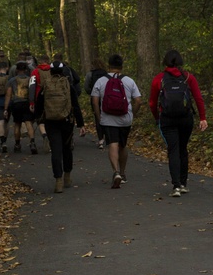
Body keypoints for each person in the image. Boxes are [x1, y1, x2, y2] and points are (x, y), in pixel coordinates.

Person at [149, 50, 208, 198]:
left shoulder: (159, 79)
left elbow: (152, 102)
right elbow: (198, 98)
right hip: (185, 118)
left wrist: (157, 117)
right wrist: (202, 117)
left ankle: (175, 186)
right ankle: (183, 184)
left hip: (167, 119)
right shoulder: (188, 77)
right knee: (183, 148)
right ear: (181, 62)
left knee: (173, 149)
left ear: (165, 62)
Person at [91, 54, 141, 189]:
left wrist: (98, 116)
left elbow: (95, 101)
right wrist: (133, 114)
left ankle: (116, 172)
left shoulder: (101, 81)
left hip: (108, 118)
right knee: (123, 145)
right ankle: (123, 173)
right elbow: (138, 100)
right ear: (121, 66)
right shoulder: (129, 81)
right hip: (125, 118)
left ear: (109, 65)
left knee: (113, 143)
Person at [35, 60, 86, 193]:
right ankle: (67, 177)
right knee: (67, 149)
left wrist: (38, 117)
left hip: (51, 122)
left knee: (56, 150)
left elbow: (39, 104)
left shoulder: (46, 85)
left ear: (50, 71)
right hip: (67, 122)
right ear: (63, 71)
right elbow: (75, 105)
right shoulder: (68, 84)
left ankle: (58, 181)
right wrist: (81, 123)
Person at [6, 62, 38, 154]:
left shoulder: (12, 80)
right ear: (26, 70)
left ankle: (17, 144)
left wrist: (6, 108)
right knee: (29, 123)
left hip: (16, 103)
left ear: (16, 70)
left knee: (17, 124)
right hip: (27, 103)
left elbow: (8, 95)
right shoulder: (30, 79)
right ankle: (32, 143)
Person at [28, 54, 52, 152]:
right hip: (52, 98)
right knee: (50, 119)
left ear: (40, 62)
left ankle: (44, 135)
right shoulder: (52, 70)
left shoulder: (35, 72)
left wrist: (31, 102)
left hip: (39, 99)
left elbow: (32, 87)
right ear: (48, 61)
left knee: (40, 120)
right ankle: (51, 138)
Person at [84, 57, 108, 150]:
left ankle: (101, 139)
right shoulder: (106, 74)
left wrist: (92, 93)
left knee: (98, 117)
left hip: (95, 98)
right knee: (107, 115)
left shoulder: (90, 74)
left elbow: (86, 87)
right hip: (106, 98)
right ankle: (108, 137)